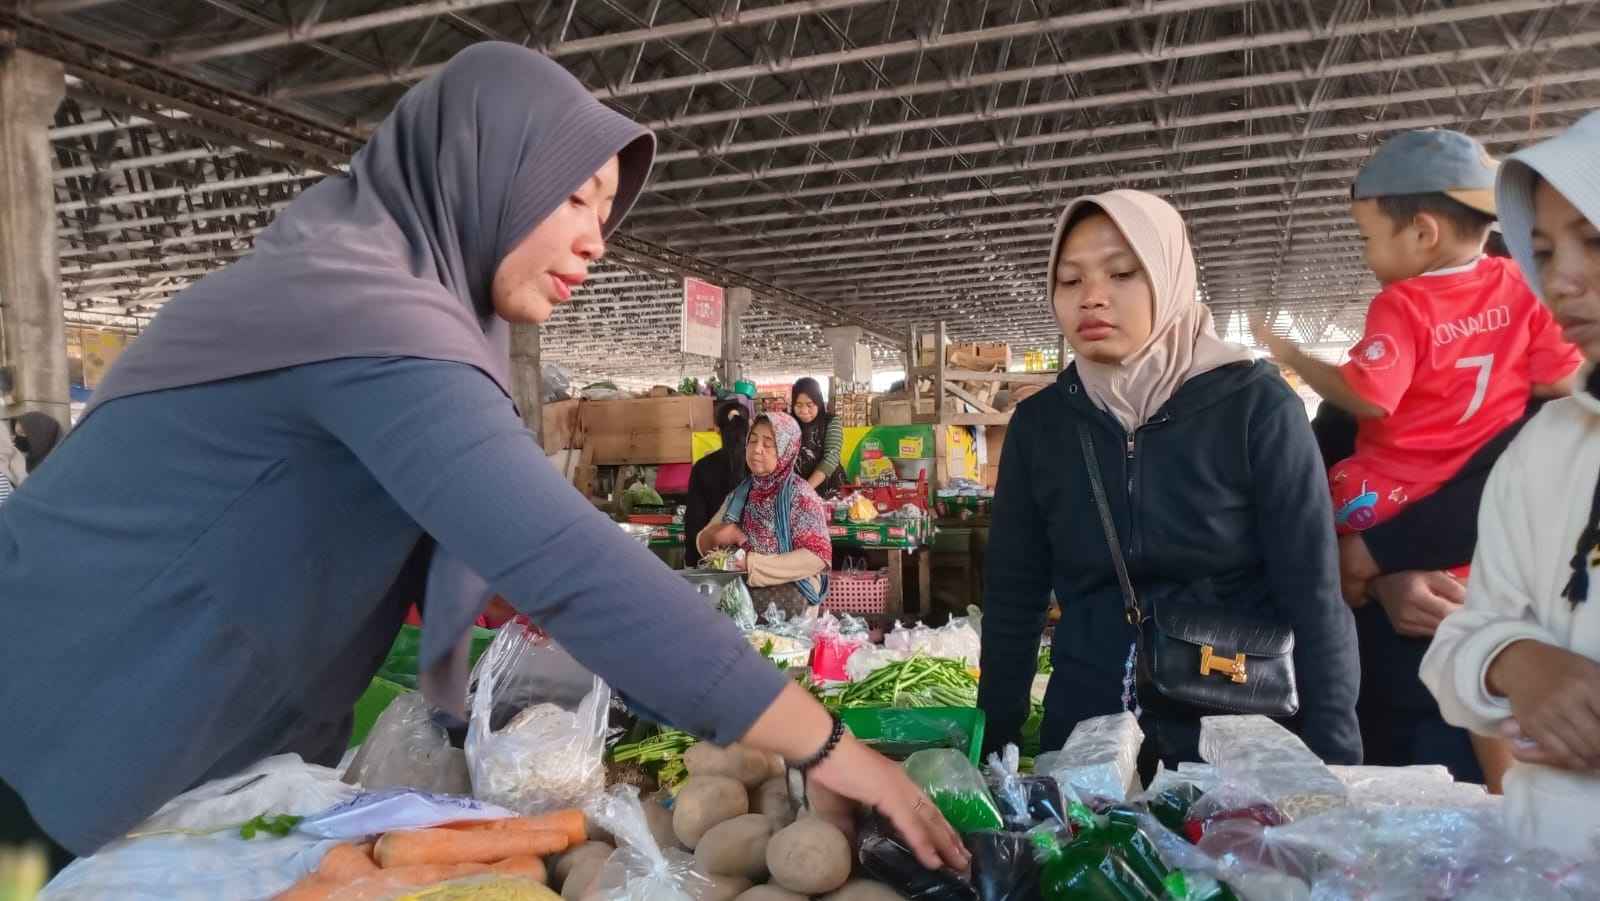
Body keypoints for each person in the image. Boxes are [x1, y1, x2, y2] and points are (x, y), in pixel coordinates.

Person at [0, 43, 966, 875]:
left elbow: (469, 548)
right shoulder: (361, 305)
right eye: (576, 197)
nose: (596, 238)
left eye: (608, 210)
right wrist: (830, 741)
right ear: (486, 167)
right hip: (53, 730)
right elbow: (560, 556)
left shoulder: (400, 299)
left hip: (164, 750)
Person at [978, 189, 1362, 768]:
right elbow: (1013, 598)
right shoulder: (1043, 426)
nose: (1093, 297)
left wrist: (1334, 760)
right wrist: (996, 750)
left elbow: (1314, 596)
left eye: (1123, 273)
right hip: (1089, 739)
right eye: (1070, 280)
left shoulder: (1255, 407)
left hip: (1234, 737)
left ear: (1169, 276)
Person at [1257, 129, 1580, 578]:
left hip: (1390, 493)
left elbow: (1366, 397)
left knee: (1299, 521)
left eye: (1367, 238)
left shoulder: (1402, 304)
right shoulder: (1522, 285)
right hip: (1491, 540)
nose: (1367, 256)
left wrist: (1291, 355)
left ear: (1424, 233)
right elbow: (1558, 382)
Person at [1421, 110, 1600, 855]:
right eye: (1546, 250)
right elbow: (1453, 649)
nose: (1560, 280)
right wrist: (1511, 660)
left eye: (1593, 240)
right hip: (1551, 860)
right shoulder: (1546, 449)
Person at [696, 412, 832, 619]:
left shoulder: (800, 494)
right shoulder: (741, 493)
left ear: (786, 449)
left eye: (768, 443)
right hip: (741, 607)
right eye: (752, 440)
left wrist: (752, 564)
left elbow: (817, 557)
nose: (757, 449)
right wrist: (717, 536)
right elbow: (703, 544)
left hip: (791, 611)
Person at [684, 398, 751, 567]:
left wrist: (692, 561)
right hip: (752, 561)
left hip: (714, 560)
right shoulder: (759, 466)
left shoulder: (702, 467)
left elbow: (694, 521)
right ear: (749, 426)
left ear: (716, 430)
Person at [790, 377, 845, 495]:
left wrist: (806, 490)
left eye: (810, 405)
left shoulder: (831, 422)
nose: (804, 411)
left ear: (818, 403)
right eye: (798, 405)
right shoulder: (789, 423)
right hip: (795, 488)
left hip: (828, 487)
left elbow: (831, 458)